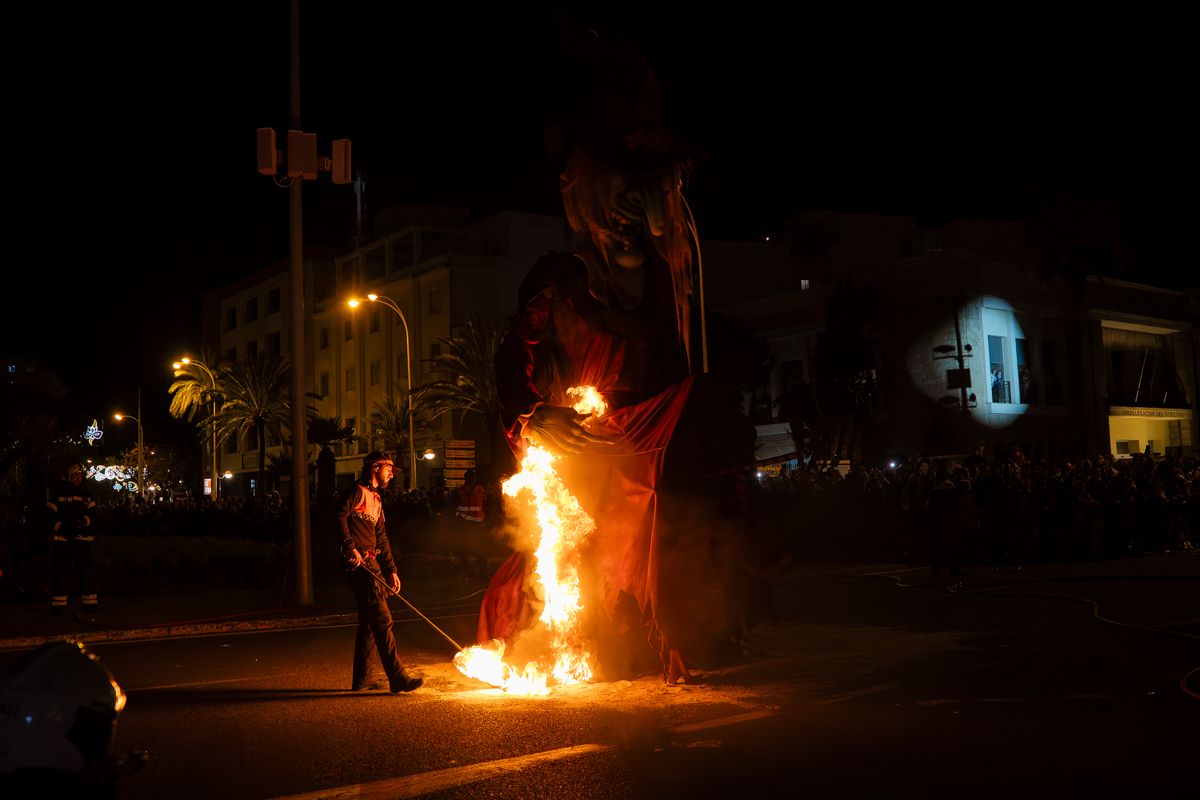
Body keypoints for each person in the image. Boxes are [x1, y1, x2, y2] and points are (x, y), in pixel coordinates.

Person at [478, 27, 764, 684]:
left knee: (664, 541)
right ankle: (575, 640)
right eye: (621, 183)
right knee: (576, 554)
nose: (637, 204)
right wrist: (532, 416)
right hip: (584, 448)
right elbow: (511, 360)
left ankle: (666, 634)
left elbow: (691, 371)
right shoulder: (560, 282)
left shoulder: (669, 287)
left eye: (651, 186)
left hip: (649, 448)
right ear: (577, 181)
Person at [335, 451, 422, 693]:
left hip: (372, 562)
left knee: (369, 623)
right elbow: (339, 515)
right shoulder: (357, 491)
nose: (392, 474)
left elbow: (381, 538)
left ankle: (363, 680)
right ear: (375, 467)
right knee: (383, 620)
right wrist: (350, 547)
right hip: (359, 564)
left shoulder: (376, 498)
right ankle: (398, 678)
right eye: (389, 468)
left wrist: (392, 570)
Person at [46, 462, 98, 614]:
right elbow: (49, 517)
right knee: (61, 572)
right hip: (63, 540)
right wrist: (63, 527)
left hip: (82, 539)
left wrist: (83, 523)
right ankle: (59, 604)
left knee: (86, 572)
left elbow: (94, 515)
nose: (79, 478)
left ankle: (90, 603)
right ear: (69, 477)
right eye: (76, 475)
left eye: (80, 475)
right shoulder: (57, 494)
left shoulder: (86, 495)